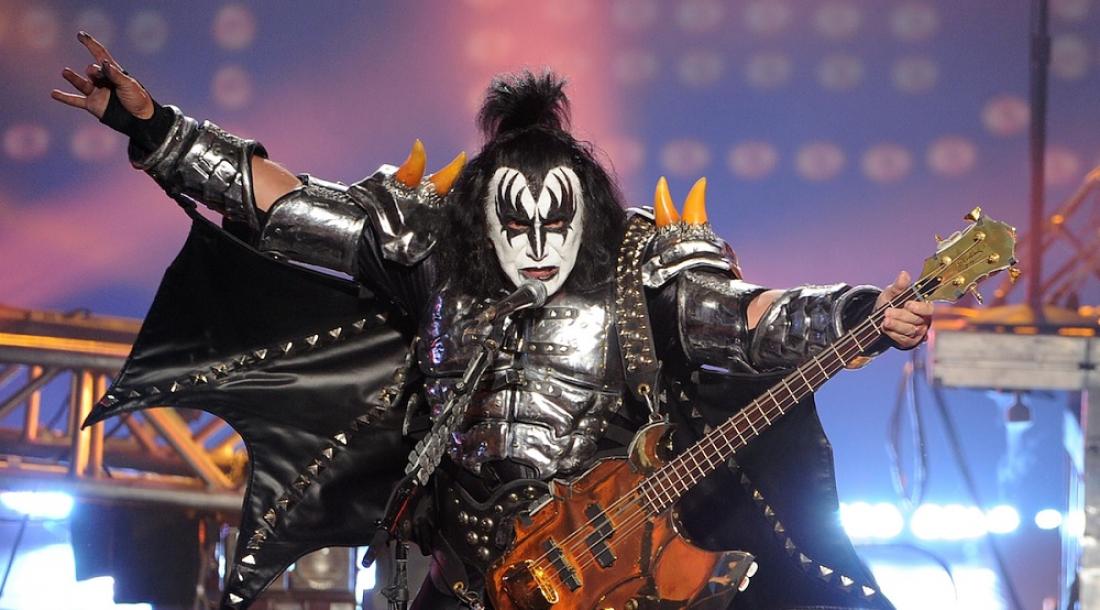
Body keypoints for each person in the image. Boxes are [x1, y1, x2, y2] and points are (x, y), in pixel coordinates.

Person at [55, 32, 932, 610]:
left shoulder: (642, 263)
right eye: (518, 222)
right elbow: (286, 205)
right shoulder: (434, 251)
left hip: (607, 579)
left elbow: (750, 318)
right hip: (459, 573)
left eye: (558, 220)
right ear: (485, 214)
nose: (539, 244)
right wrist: (154, 128)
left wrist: (860, 310)